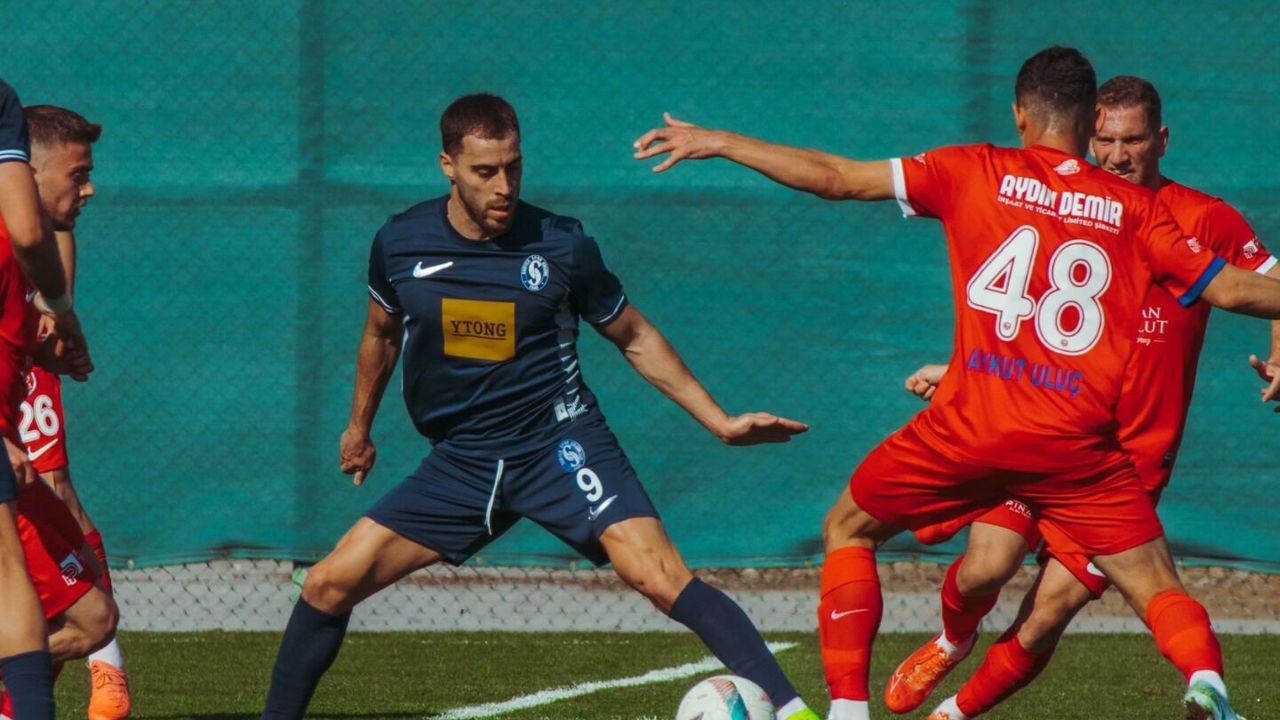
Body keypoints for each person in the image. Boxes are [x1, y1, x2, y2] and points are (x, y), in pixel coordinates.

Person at [633, 47, 1280, 720]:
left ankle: (851, 711)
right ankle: (1207, 681)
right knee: (1153, 586)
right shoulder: (1134, 210)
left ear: (1020, 115)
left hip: (974, 427)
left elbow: (837, 178)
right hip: (1077, 448)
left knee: (849, 529)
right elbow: (1233, 290)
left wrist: (721, 141)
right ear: (1091, 120)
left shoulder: (971, 169)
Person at [260, 94, 820, 720]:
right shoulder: (400, 243)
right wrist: (358, 429)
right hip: (463, 461)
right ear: (448, 166)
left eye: (514, 167)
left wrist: (718, 421)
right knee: (327, 584)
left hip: (560, 444)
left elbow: (633, 335)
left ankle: (796, 712)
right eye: (485, 171)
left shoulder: (561, 245)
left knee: (661, 577)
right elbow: (380, 334)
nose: (504, 186)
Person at [878, 76, 1280, 720]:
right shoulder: (1073, 206)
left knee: (1046, 614)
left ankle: (952, 714)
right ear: (1089, 133)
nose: (1117, 155)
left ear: (1162, 140)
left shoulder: (1204, 217)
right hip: (1047, 431)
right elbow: (1036, 318)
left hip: (1127, 459)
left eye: (1134, 140)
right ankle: (953, 640)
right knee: (984, 569)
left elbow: (1267, 280)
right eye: (1105, 140)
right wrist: (961, 370)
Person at [0, 104, 118, 720]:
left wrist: (53, 349)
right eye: (79, 174)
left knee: (95, 616)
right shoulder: (8, 240)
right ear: (29, 171)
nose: (89, 188)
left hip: (10, 454)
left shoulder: (38, 247)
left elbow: (19, 333)